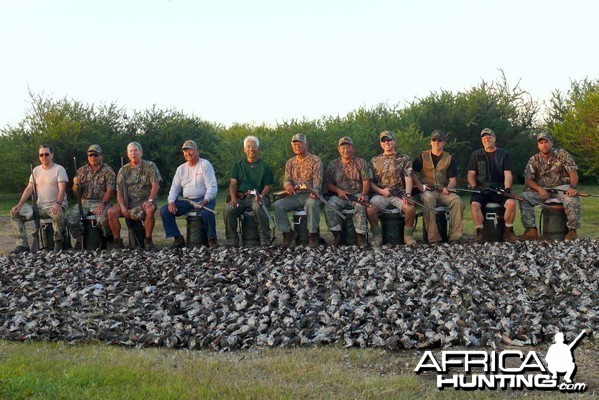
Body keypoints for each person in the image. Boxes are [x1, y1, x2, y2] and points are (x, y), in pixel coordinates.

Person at [519, 131, 580, 241]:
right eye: (541, 143)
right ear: (538, 145)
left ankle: (572, 230)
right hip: (543, 190)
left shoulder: (562, 154)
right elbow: (528, 180)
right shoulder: (534, 159)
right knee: (524, 197)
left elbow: (573, 173)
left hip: (563, 188)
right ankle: (531, 230)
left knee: (572, 200)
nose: (544, 145)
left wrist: (573, 187)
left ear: (551, 143)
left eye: (546, 142)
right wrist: (539, 189)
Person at [10, 144, 69, 252]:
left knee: (57, 214)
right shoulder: (36, 171)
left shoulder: (59, 169)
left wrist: (58, 203)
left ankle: (58, 243)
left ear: (52, 155)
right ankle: (22, 245)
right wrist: (20, 204)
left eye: (46, 154)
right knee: (15, 213)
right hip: (40, 207)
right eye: (41, 155)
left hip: (55, 205)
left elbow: (62, 189)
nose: (44, 157)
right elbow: (29, 188)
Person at [160, 140, 218, 248]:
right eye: (185, 151)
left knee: (207, 213)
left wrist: (205, 200)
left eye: (190, 150)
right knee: (165, 211)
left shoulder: (205, 164)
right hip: (186, 200)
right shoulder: (181, 169)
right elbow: (174, 189)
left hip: (204, 198)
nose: (188, 153)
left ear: (197, 151)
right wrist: (171, 202)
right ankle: (178, 238)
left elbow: (212, 186)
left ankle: (212, 239)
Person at [412, 130, 464, 244]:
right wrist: (420, 185)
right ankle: (433, 238)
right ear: (430, 142)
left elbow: (453, 180)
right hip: (428, 191)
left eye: (440, 140)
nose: (437, 142)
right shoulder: (422, 156)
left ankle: (455, 237)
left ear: (444, 143)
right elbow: (411, 173)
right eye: (434, 140)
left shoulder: (449, 159)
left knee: (457, 201)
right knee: (428, 198)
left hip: (443, 191)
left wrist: (449, 188)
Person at [107, 142, 162, 249]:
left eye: (136, 150)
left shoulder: (150, 166)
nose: (133, 153)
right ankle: (117, 240)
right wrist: (122, 206)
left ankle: (148, 240)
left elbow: (156, 185)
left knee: (150, 210)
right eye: (131, 151)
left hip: (144, 202)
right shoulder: (123, 170)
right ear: (127, 154)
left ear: (141, 152)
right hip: (128, 203)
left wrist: (150, 200)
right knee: (111, 212)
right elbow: (119, 191)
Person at [466, 128, 517, 243]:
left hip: (499, 189)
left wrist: (507, 189)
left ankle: (508, 232)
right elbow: (470, 174)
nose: (486, 139)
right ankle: (479, 233)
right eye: (484, 137)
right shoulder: (476, 155)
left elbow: (508, 174)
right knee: (474, 204)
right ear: (481, 140)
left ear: (494, 138)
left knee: (511, 203)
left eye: (489, 137)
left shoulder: (504, 154)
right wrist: (474, 187)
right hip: (481, 190)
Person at [273, 134, 324, 247]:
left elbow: (318, 183)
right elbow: (286, 180)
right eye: (295, 144)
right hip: (295, 196)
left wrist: (314, 192)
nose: (297, 146)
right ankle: (288, 234)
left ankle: (313, 235)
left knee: (312, 204)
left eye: (300, 143)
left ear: (306, 144)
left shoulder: (315, 160)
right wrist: (288, 186)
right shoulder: (290, 162)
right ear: (292, 146)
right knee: (278, 205)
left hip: (310, 194)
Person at [367, 130, 417, 246]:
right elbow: (370, 182)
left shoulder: (405, 158)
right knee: (370, 209)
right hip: (381, 194)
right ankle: (377, 236)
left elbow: (408, 177)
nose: (386, 142)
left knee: (410, 209)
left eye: (389, 140)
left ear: (394, 141)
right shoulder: (374, 160)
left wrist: (408, 195)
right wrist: (381, 191)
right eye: (383, 140)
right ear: (380, 143)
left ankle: (408, 236)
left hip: (399, 194)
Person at [224, 136, 274, 247]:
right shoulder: (238, 166)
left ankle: (265, 239)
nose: (251, 149)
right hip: (241, 198)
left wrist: (261, 195)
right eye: (249, 146)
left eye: (254, 146)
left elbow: (267, 186)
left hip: (258, 196)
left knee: (258, 206)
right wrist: (233, 198)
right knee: (229, 209)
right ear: (244, 149)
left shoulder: (265, 166)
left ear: (258, 149)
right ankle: (232, 241)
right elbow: (233, 184)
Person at [324, 136, 373, 246]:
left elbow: (366, 181)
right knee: (329, 206)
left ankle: (360, 236)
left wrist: (364, 194)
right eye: (343, 148)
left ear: (353, 148)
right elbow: (328, 184)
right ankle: (336, 235)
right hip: (340, 195)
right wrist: (338, 191)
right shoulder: (333, 164)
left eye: (348, 147)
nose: (346, 150)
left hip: (357, 194)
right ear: (339, 149)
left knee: (361, 206)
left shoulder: (361, 162)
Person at [66, 144, 116, 249]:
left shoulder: (108, 171)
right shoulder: (81, 171)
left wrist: (103, 204)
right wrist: (76, 185)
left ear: (101, 156)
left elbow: (111, 190)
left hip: (101, 201)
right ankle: (80, 240)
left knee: (103, 219)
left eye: (95, 155)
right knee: (71, 219)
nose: (92, 157)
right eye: (90, 155)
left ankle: (108, 239)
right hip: (84, 202)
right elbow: (76, 194)